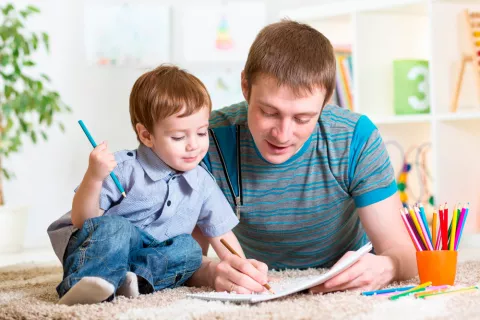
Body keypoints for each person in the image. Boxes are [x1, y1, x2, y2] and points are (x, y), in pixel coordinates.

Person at [187, 19, 417, 294]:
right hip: (259, 285)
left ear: (326, 101)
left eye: (303, 117)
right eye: (269, 112)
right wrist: (211, 271)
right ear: (245, 87)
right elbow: (184, 257)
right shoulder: (204, 140)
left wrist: (387, 266)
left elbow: (404, 254)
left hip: (343, 286)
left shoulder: (356, 138)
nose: (283, 134)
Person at [47, 65, 244, 305]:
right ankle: (84, 284)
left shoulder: (202, 182)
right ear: (146, 135)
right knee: (115, 227)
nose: (194, 145)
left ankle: (135, 281)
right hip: (100, 247)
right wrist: (94, 177)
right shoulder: (124, 168)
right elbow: (83, 221)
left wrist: (242, 271)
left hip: (149, 257)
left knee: (191, 250)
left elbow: (222, 234)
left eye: (202, 133)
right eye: (179, 137)